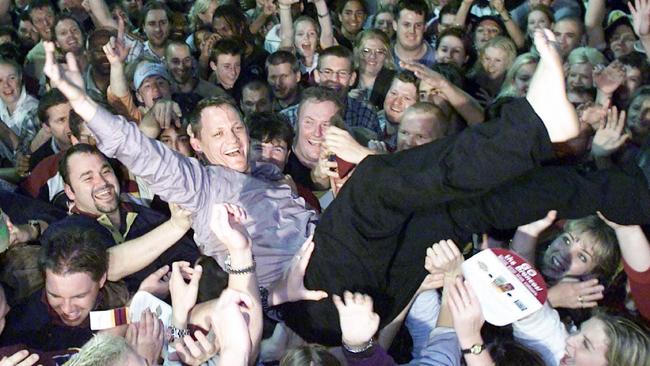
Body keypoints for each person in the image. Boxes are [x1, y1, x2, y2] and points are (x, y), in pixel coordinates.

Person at [46, 29, 650, 348]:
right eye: (218, 134)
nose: (232, 139)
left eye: (237, 128)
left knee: (455, 209)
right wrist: (81, 101)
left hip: (366, 289)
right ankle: (538, 123)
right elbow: (138, 150)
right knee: (378, 184)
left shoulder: (267, 175)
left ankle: (615, 195)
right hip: (318, 295)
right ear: (197, 146)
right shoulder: (200, 184)